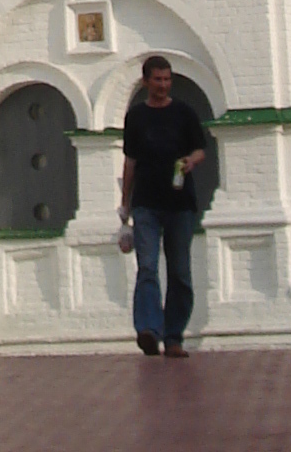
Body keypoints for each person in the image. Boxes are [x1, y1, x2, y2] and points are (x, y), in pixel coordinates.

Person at [119, 53, 210, 356]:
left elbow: (200, 150)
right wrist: (125, 204)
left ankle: (174, 336)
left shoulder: (184, 113)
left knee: (180, 271)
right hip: (146, 202)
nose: (163, 85)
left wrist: (190, 161)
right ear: (145, 82)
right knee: (147, 267)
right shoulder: (136, 116)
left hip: (180, 203)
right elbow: (130, 160)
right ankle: (148, 329)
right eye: (157, 80)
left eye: (167, 79)